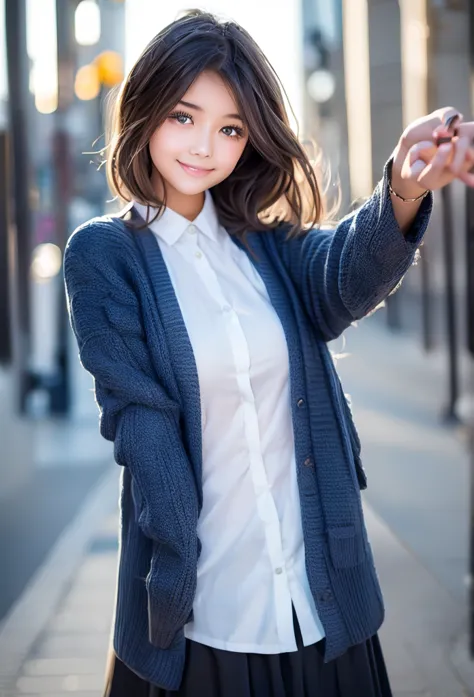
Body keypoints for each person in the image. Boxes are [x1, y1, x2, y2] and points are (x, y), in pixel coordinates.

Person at [63, 10, 474, 697]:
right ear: (145, 112)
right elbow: (142, 423)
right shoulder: (106, 255)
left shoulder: (268, 245)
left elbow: (347, 272)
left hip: (321, 607)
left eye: (229, 128)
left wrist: (405, 186)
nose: (204, 146)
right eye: (183, 116)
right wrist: (172, 578)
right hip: (202, 619)